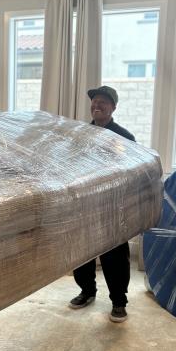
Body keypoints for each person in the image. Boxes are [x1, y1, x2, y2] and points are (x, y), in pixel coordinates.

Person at [69, 85, 135, 323]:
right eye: (94, 102)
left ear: (113, 107)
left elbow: (130, 172)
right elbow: (69, 164)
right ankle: (87, 290)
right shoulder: (80, 135)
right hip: (84, 202)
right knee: (82, 250)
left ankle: (119, 301)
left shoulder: (124, 137)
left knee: (114, 254)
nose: (96, 106)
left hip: (113, 206)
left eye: (102, 102)